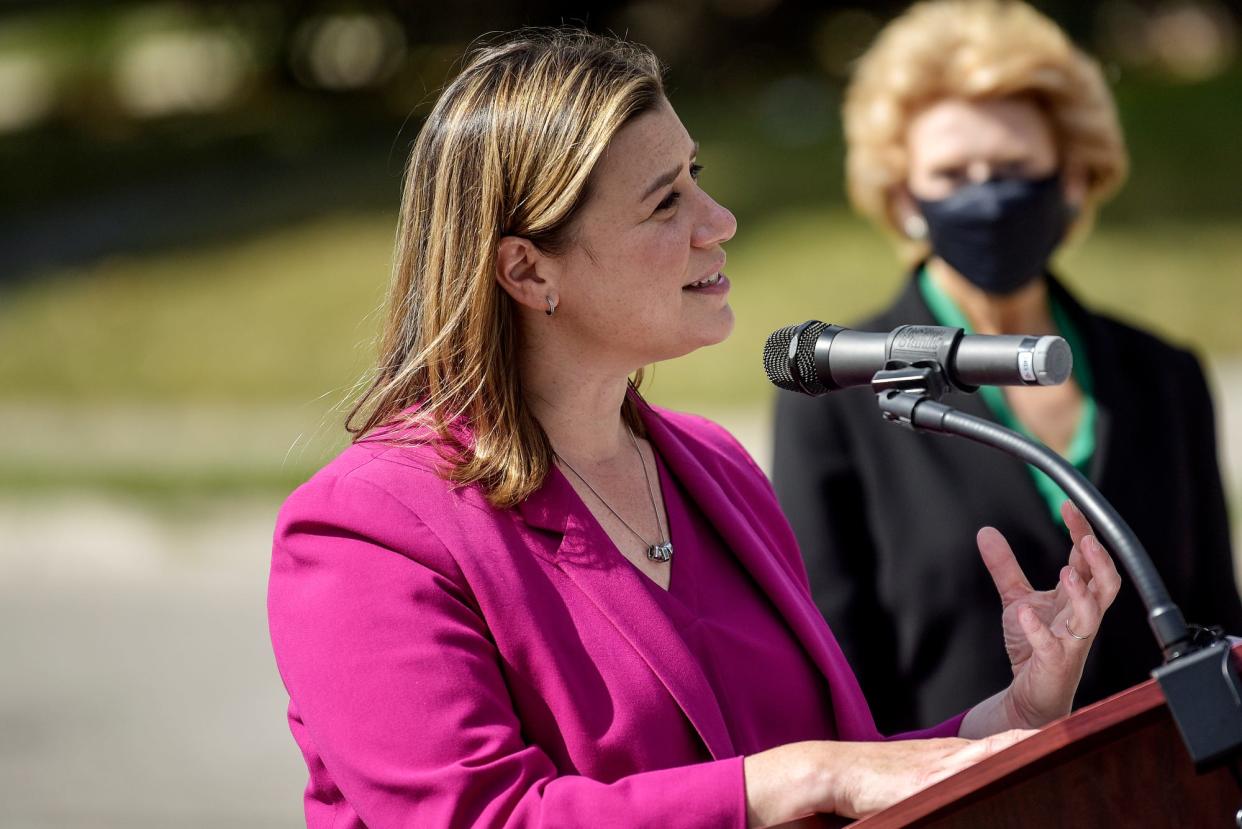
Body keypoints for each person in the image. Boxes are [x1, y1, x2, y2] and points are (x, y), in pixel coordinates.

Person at [268, 28, 1121, 827]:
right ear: (527, 269)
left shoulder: (711, 465)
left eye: (697, 175)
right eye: (664, 201)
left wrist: (1013, 712)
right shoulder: (368, 529)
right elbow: (480, 816)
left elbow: (839, 778)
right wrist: (805, 773)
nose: (719, 222)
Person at [772, 0, 1241, 736]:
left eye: (1016, 168)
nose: (987, 197)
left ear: (1075, 178)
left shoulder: (1163, 374)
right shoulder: (836, 395)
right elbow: (836, 677)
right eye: (953, 173)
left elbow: (1217, 617)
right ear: (904, 196)